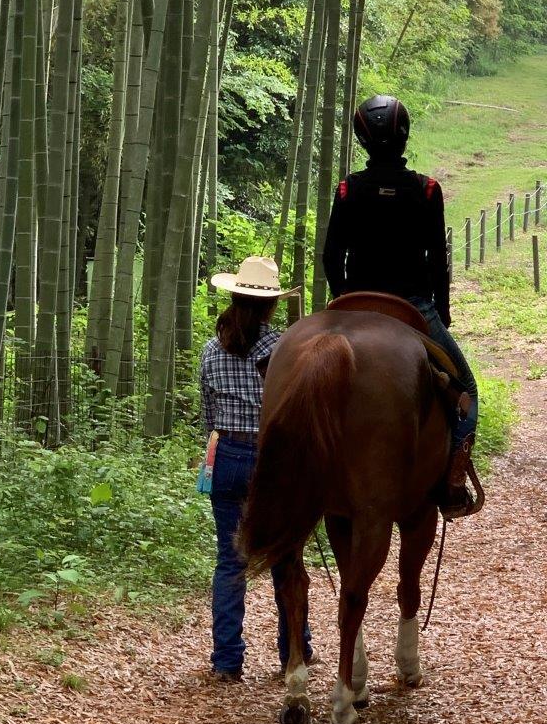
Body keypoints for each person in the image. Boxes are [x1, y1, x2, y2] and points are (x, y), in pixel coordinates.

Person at [322, 94, 478, 520]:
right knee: (466, 389)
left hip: (354, 306)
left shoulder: (348, 188)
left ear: (363, 140)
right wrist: (440, 311)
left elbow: (331, 256)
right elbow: (435, 259)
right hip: (412, 306)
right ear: (404, 134)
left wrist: (341, 300)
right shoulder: (427, 189)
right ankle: (452, 481)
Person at [200, 255, 314, 682]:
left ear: (234, 296)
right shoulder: (287, 351)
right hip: (273, 461)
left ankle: (226, 661)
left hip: (226, 454)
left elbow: (207, 415)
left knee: (231, 561)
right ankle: (293, 652)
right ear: (271, 306)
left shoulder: (211, 350)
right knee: (285, 557)